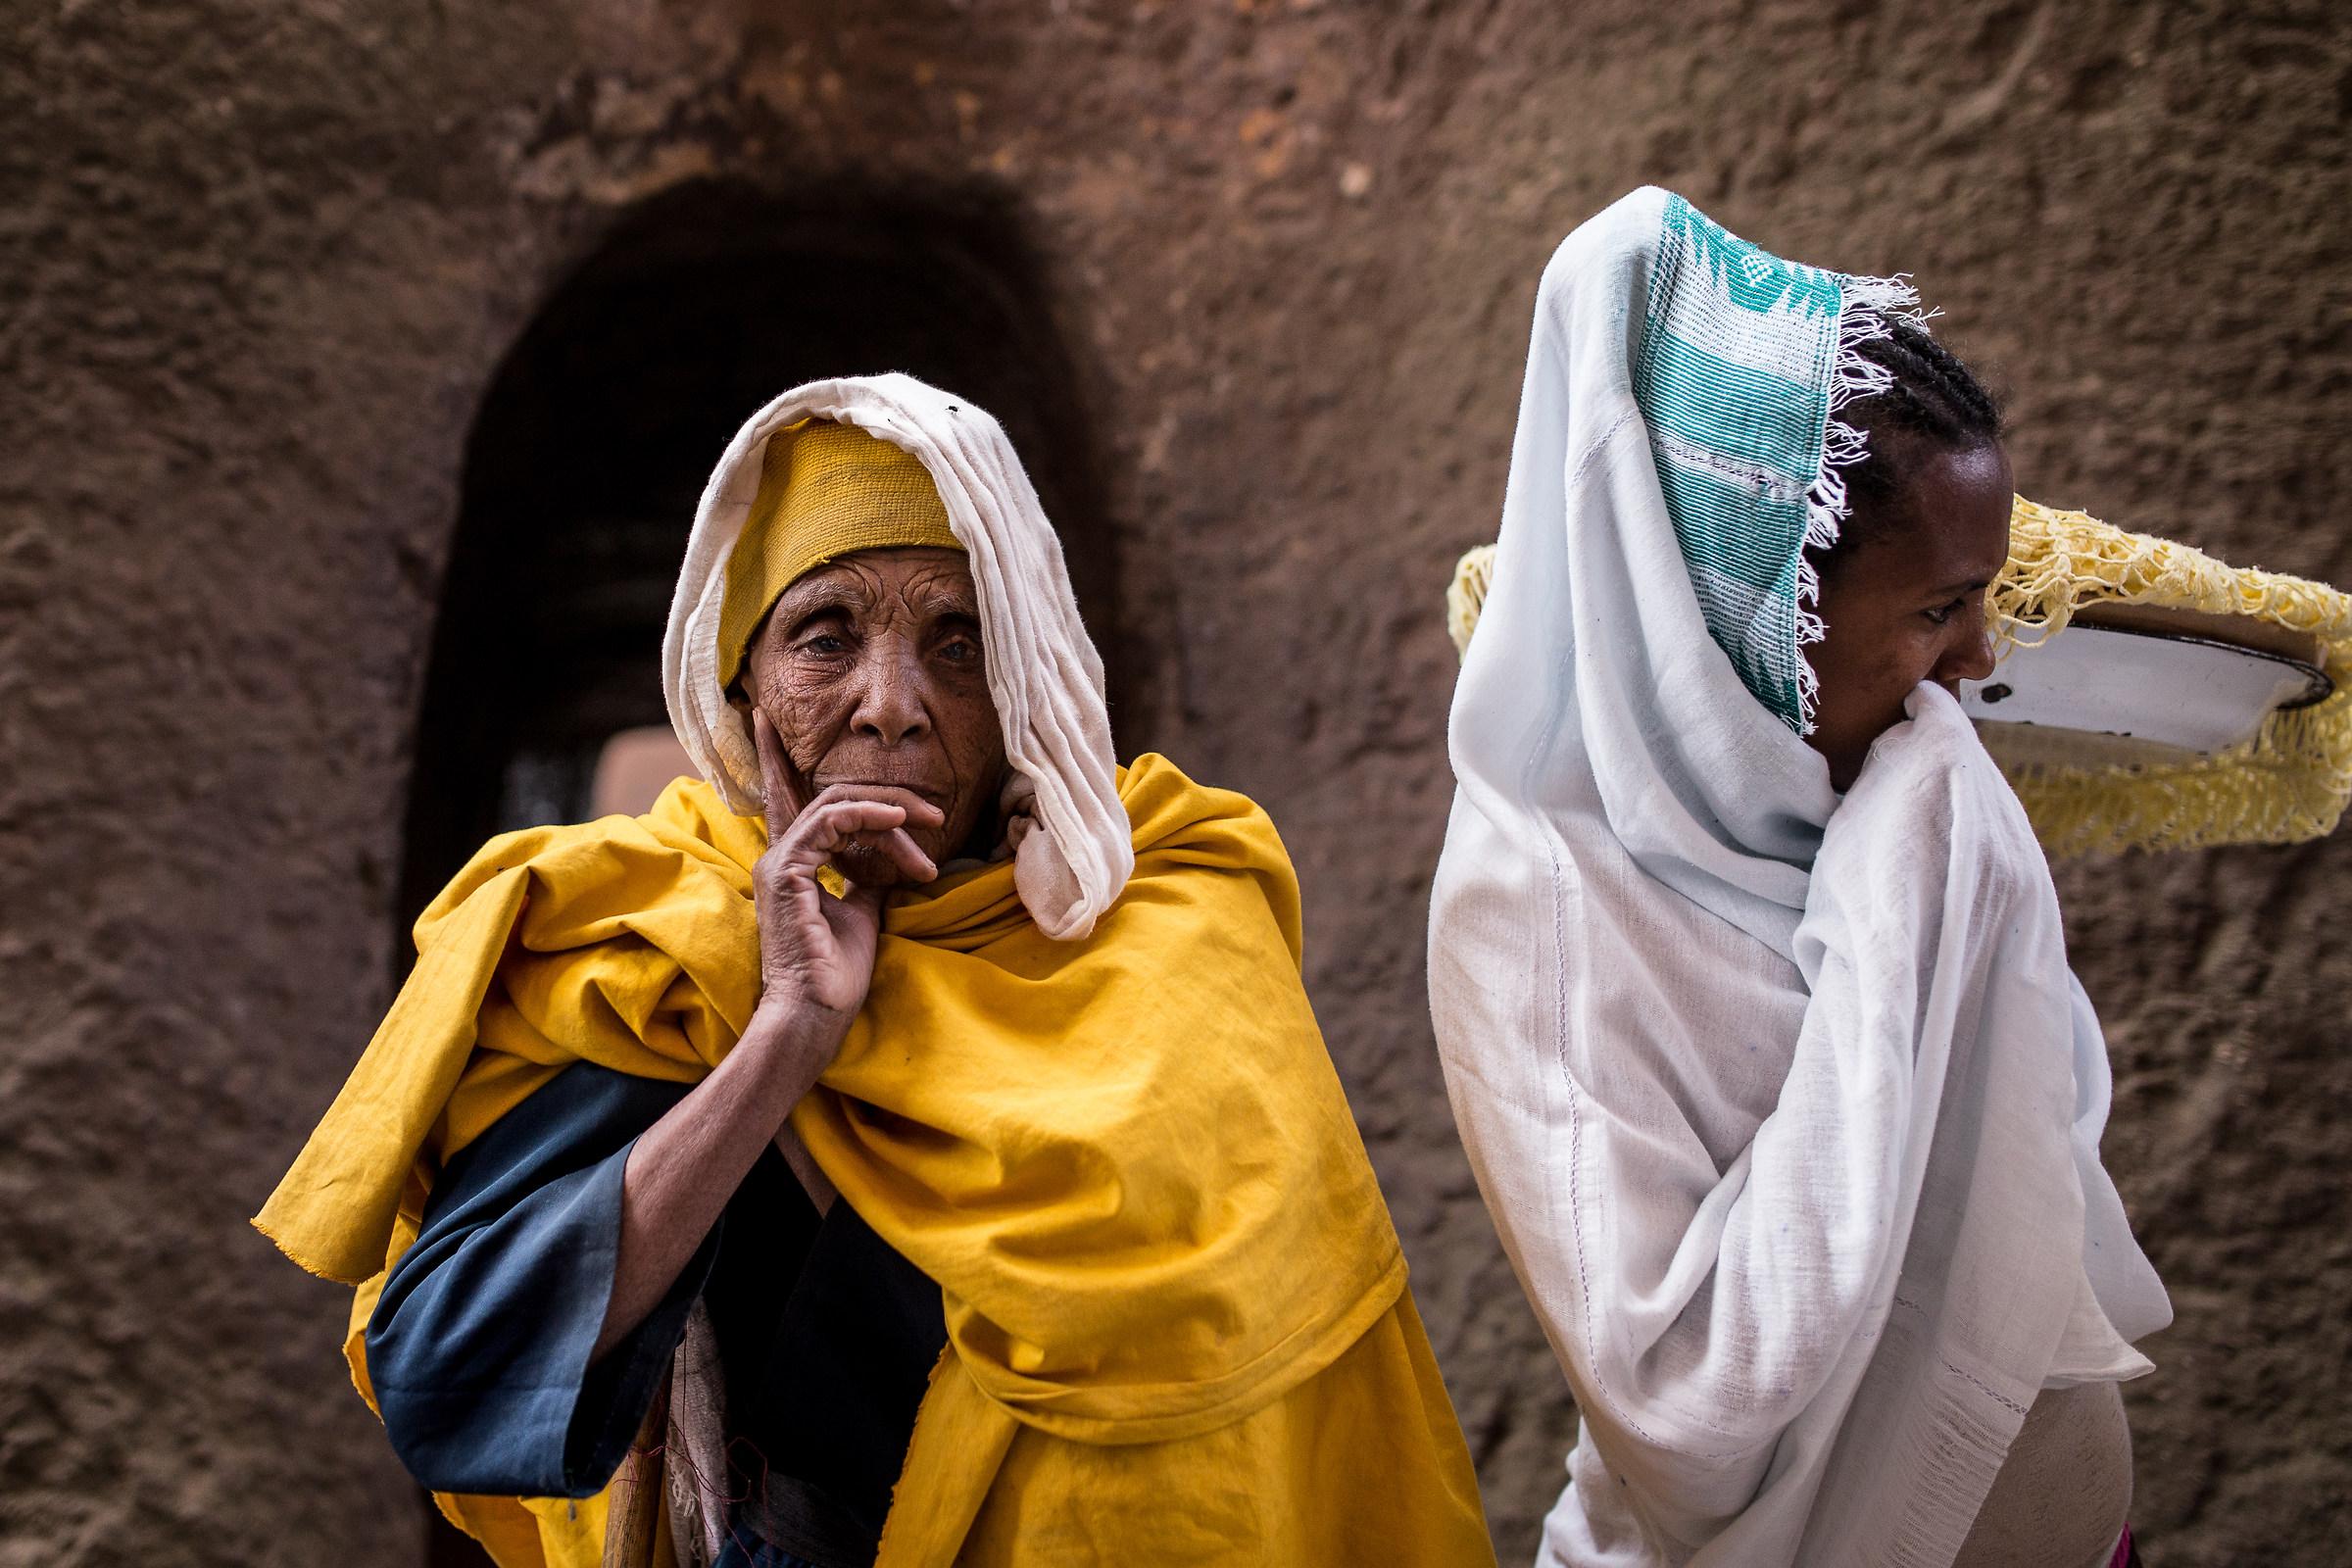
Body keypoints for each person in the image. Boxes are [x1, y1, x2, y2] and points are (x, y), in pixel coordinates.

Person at [259, 374, 1495, 1568]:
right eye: (825, 635)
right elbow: (445, 1377)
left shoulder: (1170, 918)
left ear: (1025, 692)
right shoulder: (659, 947)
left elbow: (1311, 1414)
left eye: (959, 644)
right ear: (742, 688)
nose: (892, 705)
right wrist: (786, 1034)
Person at [1427, 190, 2171, 1568]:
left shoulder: (1876, 782)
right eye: (1939, 610)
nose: (1980, 666)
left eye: (1985, 601)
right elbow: (1684, 1404)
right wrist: (1905, 894)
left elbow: (2044, 1139)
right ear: (1740, 613)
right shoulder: (1538, 915)